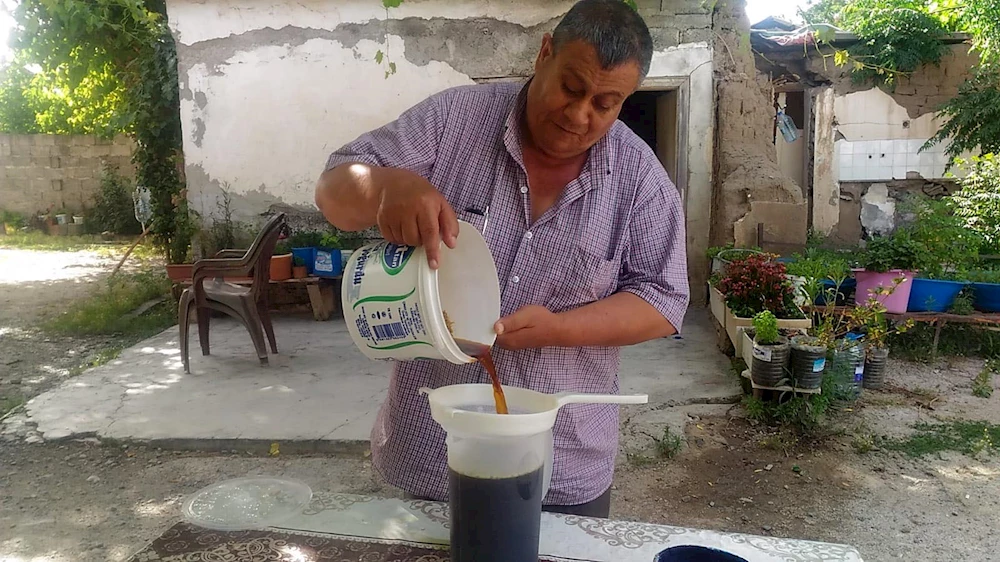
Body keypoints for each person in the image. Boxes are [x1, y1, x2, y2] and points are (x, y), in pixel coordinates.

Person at [314, 0, 689, 518]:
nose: (580, 115)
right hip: (431, 459)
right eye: (572, 88)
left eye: (606, 103)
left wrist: (559, 329)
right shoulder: (454, 123)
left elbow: (664, 299)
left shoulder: (639, 179)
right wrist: (386, 186)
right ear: (544, 54)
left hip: (563, 469)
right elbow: (333, 189)